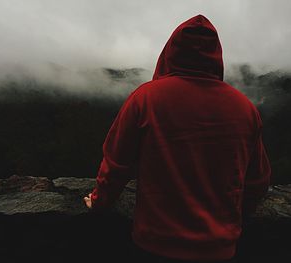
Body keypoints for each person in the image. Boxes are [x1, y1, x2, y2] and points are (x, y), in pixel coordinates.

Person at [83, 14, 271, 262]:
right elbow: (257, 181)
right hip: (219, 249)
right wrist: (236, 220)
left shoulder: (146, 99)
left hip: (154, 244)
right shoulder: (245, 109)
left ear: (170, 51)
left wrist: (98, 202)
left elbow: (117, 164)